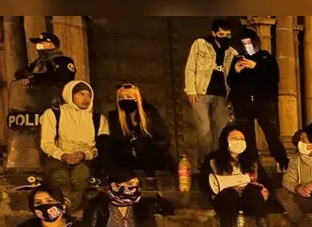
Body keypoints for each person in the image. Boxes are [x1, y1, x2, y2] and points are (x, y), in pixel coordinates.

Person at [39, 80, 109, 210]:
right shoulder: (54, 114)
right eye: (81, 94)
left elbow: (101, 146)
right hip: (58, 156)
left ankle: (64, 211)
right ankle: (64, 210)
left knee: (80, 179)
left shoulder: (98, 119)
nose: (86, 98)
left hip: (85, 158)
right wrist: (62, 155)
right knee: (60, 179)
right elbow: (46, 142)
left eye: (89, 95)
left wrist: (84, 155)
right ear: (70, 94)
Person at [227, 28, 288, 172]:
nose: (246, 45)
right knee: (248, 139)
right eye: (244, 43)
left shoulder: (265, 58)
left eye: (249, 42)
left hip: (263, 102)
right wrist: (236, 71)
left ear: (255, 43)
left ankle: (284, 164)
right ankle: (253, 169)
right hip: (243, 104)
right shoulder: (237, 60)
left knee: (272, 135)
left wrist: (256, 67)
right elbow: (231, 82)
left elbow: (274, 78)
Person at [199, 125, 272, 227]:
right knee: (228, 195)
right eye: (234, 138)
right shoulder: (213, 160)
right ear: (225, 141)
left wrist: (265, 190)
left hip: (248, 200)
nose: (238, 142)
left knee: (252, 191)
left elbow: (265, 181)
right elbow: (203, 184)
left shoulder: (252, 160)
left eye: (242, 139)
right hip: (226, 200)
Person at [185, 19, 238, 161]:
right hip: (202, 92)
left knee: (221, 132)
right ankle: (205, 162)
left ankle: (218, 162)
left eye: (228, 34)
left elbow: (233, 76)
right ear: (214, 33)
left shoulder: (232, 52)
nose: (225, 37)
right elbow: (191, 67)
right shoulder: (201, 44)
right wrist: (190, 89)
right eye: (221, 34)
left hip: (222, 96)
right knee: (204, 130)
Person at [99, 83, 174, 178]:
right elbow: (116, 140)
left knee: (142, 143)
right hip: (126, 157)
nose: (125, 99)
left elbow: (163, 138)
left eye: (129, 96)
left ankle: (150, 178)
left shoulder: (149, 113)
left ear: (137, 98)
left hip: (150, 157)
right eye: (121, 97)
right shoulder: (115, 116)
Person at [14, 32, 76, 108]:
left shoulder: (64, 61)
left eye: (42, 43)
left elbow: (61, 77)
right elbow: (22, 72)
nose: (38, 45)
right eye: (38, 43)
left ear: (51, 44)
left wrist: (33, 77)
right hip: (35, 102)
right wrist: (22, 76)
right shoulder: (38, 63)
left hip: (57, 103)